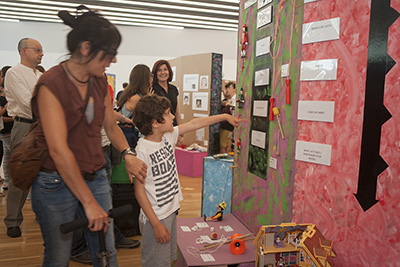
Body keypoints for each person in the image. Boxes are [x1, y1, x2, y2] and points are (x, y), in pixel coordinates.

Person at [30, 6, 147, 266]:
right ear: (85, 48)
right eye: (110, 53)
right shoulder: (51, 85)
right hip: (54, 183)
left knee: (106, 252)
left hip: (95, 175)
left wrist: (127, 153)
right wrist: (88, 202)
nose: (113, 60)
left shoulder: (98, 81)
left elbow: (110, 125)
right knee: (58, 255)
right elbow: (59, 151)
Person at [132, 94, 245, 266]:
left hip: (170, 211)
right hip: (155, 217)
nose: (172, 117)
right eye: (168, 114)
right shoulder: (142, 151)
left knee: (165, 259)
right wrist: (155, 224)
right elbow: (139, 192)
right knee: (154, 262)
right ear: (155, 123)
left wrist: (224, 116)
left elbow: (194, 124)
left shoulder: (167, 136)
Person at [3, 38, 44, 238]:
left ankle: (44, 214)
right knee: (20, 175)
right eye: (37, 50)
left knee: (45, 173)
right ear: (24, 51)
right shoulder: (14, 73)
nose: (41, 54)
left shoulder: (40, 74)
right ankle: (12, 221)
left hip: (44, 126)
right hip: (26, 126)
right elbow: (29, 102)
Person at [117, 64, 153, 148]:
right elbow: (149, 115)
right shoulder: (136, 98)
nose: (152, 79)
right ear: (144, 79)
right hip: (134, 140)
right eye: (150, 76)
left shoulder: (132, 95)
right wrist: (149, 97)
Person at [151, 60, 183, 144]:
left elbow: (177, 112)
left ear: (169, 71)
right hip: (160, 130)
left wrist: (180, 133)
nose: (162, 72)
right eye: (159, 70)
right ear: (155, 73)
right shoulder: (152, 89)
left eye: (165, 69)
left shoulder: (173, 89)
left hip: (173, 128)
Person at [0, 66, 14, 197]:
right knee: (11, 156)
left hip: (6, 132)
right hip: (6, 131)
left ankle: (8, 182)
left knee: (7, 157)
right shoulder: (3, 99)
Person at [220, 82, 237, 153]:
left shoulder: (235, 101)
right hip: (225, 126)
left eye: (229, 88)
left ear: (234, 90)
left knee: (224, 146)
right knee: (226, 145)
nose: (227, 90)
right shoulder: (226, 101)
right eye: (226, 88)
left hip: (230, 127)